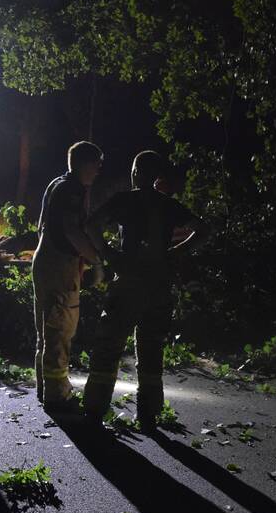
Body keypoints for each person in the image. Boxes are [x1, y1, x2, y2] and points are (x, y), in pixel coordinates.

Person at [82, 151, 209, 431]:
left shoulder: (123, 201)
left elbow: (91, 225)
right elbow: (203, 230)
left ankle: (94, 410)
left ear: (137, 172)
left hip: (127, 284)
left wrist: (109, 254)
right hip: (159, 287)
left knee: (108, 348)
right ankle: (148, 415)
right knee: (152, 353)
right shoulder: (168, 205)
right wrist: (176, 252)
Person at [32, 141, 104, 412]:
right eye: (97, 164)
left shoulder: (56, 184)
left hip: (44, 260)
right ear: (86, 163)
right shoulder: (73, 189)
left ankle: (46, 387)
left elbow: (42, 226)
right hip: (60, 266)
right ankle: (57, 396)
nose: (98, 170)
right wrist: (96, 261)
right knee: (60, 329)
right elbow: (72, 231)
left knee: (46, 329)